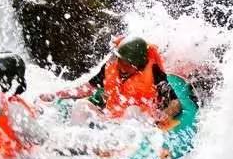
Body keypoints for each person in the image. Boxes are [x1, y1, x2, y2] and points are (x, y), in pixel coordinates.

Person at [43, 36, 183, 124]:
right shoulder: (111, 66)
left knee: (132, 111)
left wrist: (163, 117)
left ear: (138, 65)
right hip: (111, 122)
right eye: (120, 61)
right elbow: (86, 89)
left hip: (139, 124)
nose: (121, 66)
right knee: (81, 105)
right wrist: (56, 94)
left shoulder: (154, 73)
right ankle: (75, 143)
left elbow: (175, 103)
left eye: (127, 64)